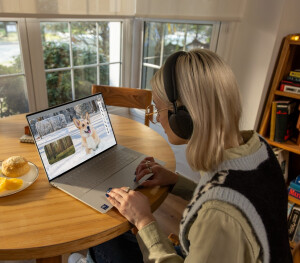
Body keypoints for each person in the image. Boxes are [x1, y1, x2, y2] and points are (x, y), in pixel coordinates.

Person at [81, 49, 292, 263]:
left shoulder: (218, 215)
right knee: (111, 232)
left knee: (101, 237)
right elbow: (232, 196)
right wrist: (176, 181)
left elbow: (220, 208)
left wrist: (144, 220)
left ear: (183, 117)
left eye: (158, 109)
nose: (156, 119)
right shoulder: (259, 149)